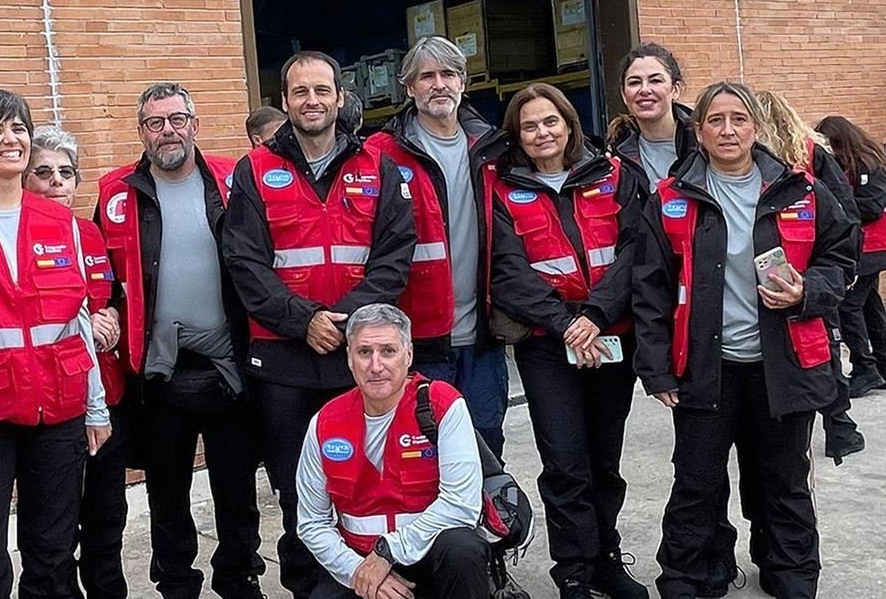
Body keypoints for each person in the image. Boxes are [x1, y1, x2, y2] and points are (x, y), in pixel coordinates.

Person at [634, 81, 856, 599]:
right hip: (705, 369)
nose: (727, 129)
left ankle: (791, 575)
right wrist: (658, 370)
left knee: (783, 481)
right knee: (696, 483)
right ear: (699, 130)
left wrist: (807, 291)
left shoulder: (801, 190)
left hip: (783, 366)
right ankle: (690, 577)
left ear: (756, 127)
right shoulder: (671, 197)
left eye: (738, 119)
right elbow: (649, 289)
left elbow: (842, 259)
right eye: (716, 120)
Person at [223, 51, 417, 598]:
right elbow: (245, 263)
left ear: (339, 96)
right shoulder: (254, 170)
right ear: (285, 102)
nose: (312, 101)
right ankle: (310, 589)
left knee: (369, 485)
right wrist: (304, 321)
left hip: (360, 362)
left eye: (322, 90)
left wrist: (351, 322)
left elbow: (394, 254)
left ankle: (372, 581)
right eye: (300, 92)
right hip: (284, 361)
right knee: (297, 491)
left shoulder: (376, 166)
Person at [97, 83, 266, 599]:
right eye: (155, 122)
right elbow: (103, 274)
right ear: (141, 132)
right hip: (162, 373)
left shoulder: (233, 181)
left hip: (229, 366)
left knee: (236, 489)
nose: (167, 130)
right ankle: (176, 585)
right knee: (166, 494)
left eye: (176, 119)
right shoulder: (116, 191)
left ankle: (239, 579)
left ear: (194, 123)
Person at [0, 89, 112, 599]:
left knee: (54, 549)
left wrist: (95, 407)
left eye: (17, 127)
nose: (10, 139)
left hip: (59, 410)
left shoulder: (60, 220)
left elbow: (77, 320)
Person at [489, 84, 648, 599]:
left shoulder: (616, 175)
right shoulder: (499, 187)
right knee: (564, 464)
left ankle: (605, 557)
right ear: (517, 133)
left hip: (607, 338)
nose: (542, 133)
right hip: (547, 345)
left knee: (605, 460)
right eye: (530, 125)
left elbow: (636, 253)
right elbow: (507, 270)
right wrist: (564, 323)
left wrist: (597, 316)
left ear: (570, 124)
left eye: (551, 122)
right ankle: (574, 572)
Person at [362, 35, 511, 457]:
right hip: (418, 341)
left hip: (482, 338)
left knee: (485, 450)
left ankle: (484, 526)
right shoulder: (381, 153)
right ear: (409, 87)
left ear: (463, 82)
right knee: (420, 454)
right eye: (427, 76)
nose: (438, 84)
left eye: (448, 74)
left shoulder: (491, 148)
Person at [297, 303, 490, 599]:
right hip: (359, 562)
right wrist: (359, 572)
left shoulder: (444, 405)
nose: (376, 366)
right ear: (349, 358)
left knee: (462, 549)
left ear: (408, 355)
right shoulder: (324, 423)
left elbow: (461, 505)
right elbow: (312, 522)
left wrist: (388, 553)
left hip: (431, 557)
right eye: (364, 352)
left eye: (388, 351)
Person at [22, 126, 130, 598]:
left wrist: (114, 318)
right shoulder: (16, 235)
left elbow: (117, 293)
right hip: (57, 406)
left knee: (107, 519)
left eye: (66, 173)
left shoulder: (90, 233)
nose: (56, 183)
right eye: (43, 173)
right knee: (53, 531)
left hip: (108, 396)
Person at [756, 91, 862, 460]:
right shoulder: (807, 153)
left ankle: (837, 424)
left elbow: (841, 217)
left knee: (818, 348)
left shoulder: (804, 157)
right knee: (819, 348)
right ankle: (838, 425)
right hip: (803, 271)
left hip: (802, 273)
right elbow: (846, 216)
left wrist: (837, 273)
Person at [816, 115, 886, 395]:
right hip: (869, 246)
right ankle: (884, 368)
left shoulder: (870, 165)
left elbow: (871, 207)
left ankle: (865, 367)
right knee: (870, 305)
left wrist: (835, 206)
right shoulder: (858, 163)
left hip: (873, 246)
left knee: (848, 305)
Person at [607, 42, 696, 198]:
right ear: (624, 95)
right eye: (634, 82)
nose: (645, 90)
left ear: (675, 90)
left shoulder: (702, 144)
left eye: (655, 81)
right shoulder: (615, 154)